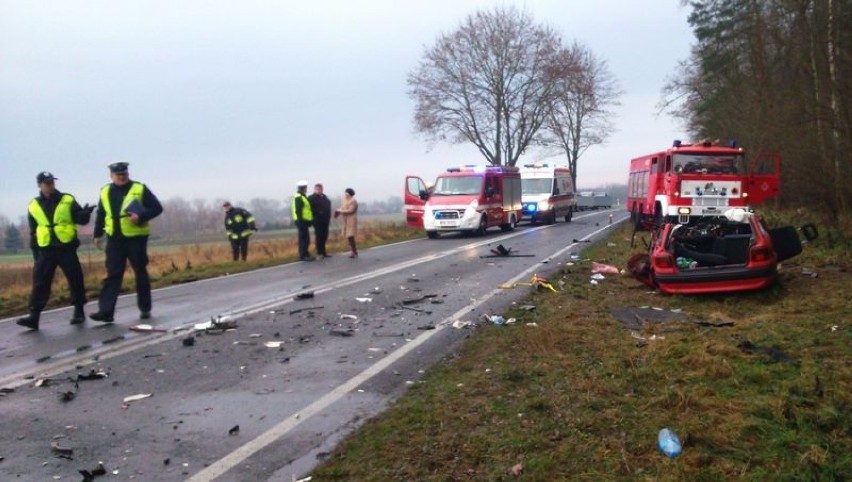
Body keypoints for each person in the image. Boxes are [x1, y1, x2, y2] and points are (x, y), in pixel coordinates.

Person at [16, 172, 95, 331]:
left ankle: (78, 311)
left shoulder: (67, 199)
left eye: (52, 182)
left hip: (66, 247)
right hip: (45, 249)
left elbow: (80, 219)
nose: (51, 186)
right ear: (40, 185)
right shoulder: (34, 205)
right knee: (40, 283)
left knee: (75, 280)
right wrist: (35, 252)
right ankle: (34, 316)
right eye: (47, 183)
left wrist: (85, 214)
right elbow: (33, 230)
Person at [90, 162, 163, 323]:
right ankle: (106, 311)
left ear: (128, 174)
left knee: (140, 273)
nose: (122, 177)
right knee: (113, 275)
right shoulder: (105, 191)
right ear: (111, 176)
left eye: (124, 174)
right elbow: (101, 213)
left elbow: (157, 208)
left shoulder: (139, 188)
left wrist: (141, 217)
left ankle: (145, 308)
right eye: (118, 175)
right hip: (114, 238)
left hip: (135, 238)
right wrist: (97, 234)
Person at [307, 183, 332, 257]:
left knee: (325, 235)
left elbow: (328, 205)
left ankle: (324, 251)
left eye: (320, 189)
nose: (319, 190)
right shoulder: (311, 198)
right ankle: (319, 252)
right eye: (317, 189)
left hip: (325, 220)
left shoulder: (324, 197)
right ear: (314, 189)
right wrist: (318, 212)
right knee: (319, 236)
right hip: (317, 220)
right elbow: (310, 209)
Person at [292, 180, 314, 261]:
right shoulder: (299, 197)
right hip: (301, 221)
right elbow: (298, 210)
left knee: (305, 238)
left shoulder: (302, 196)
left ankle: (305, 254)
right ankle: (303, 255)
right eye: (305, 188)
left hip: (304, 221)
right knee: (304, 238)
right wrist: (301, 220)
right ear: (303, 188)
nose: (306, 189)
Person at [335, 187, 359, 258]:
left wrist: (340, 211)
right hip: (345, 220)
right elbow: (343, 208)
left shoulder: (353, 201)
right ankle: (354, 250)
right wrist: (338, 211)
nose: (345, 194)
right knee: (348, 236)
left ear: (350, 193)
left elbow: (351, 210)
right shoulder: (344, 200)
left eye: (347, 193)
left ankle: (353, 251)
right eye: (345, 193)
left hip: (351, 219)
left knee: (350, 235)